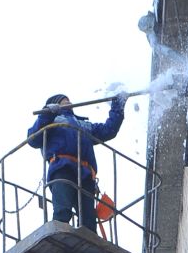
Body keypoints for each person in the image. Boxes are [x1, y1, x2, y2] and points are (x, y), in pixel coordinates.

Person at [26, 91, 126, 232]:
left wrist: (118, 106)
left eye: (69, 100)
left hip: (85, 174)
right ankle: (59, 235)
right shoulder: (50, 122)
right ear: (54, 104)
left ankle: (90, 241)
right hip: (62, 168)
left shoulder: (83, 125)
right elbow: (33, 139)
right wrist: (47, 114)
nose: (69, 102)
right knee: (62, 210)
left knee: (88, 219)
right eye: (64, 100)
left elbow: (109, 130)